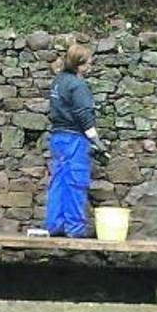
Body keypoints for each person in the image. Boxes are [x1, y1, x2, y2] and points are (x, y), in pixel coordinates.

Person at [45, 44, 108, 239]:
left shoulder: (58, 81)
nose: (91, 66)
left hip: (58, 137)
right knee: (75, 182)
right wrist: (97, 141)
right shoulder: (78, 85)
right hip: (74, 139)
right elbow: (83, 114)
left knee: (59, 180)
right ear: (79, 64)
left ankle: (54, 225)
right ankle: (75, 228)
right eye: (88, 63)